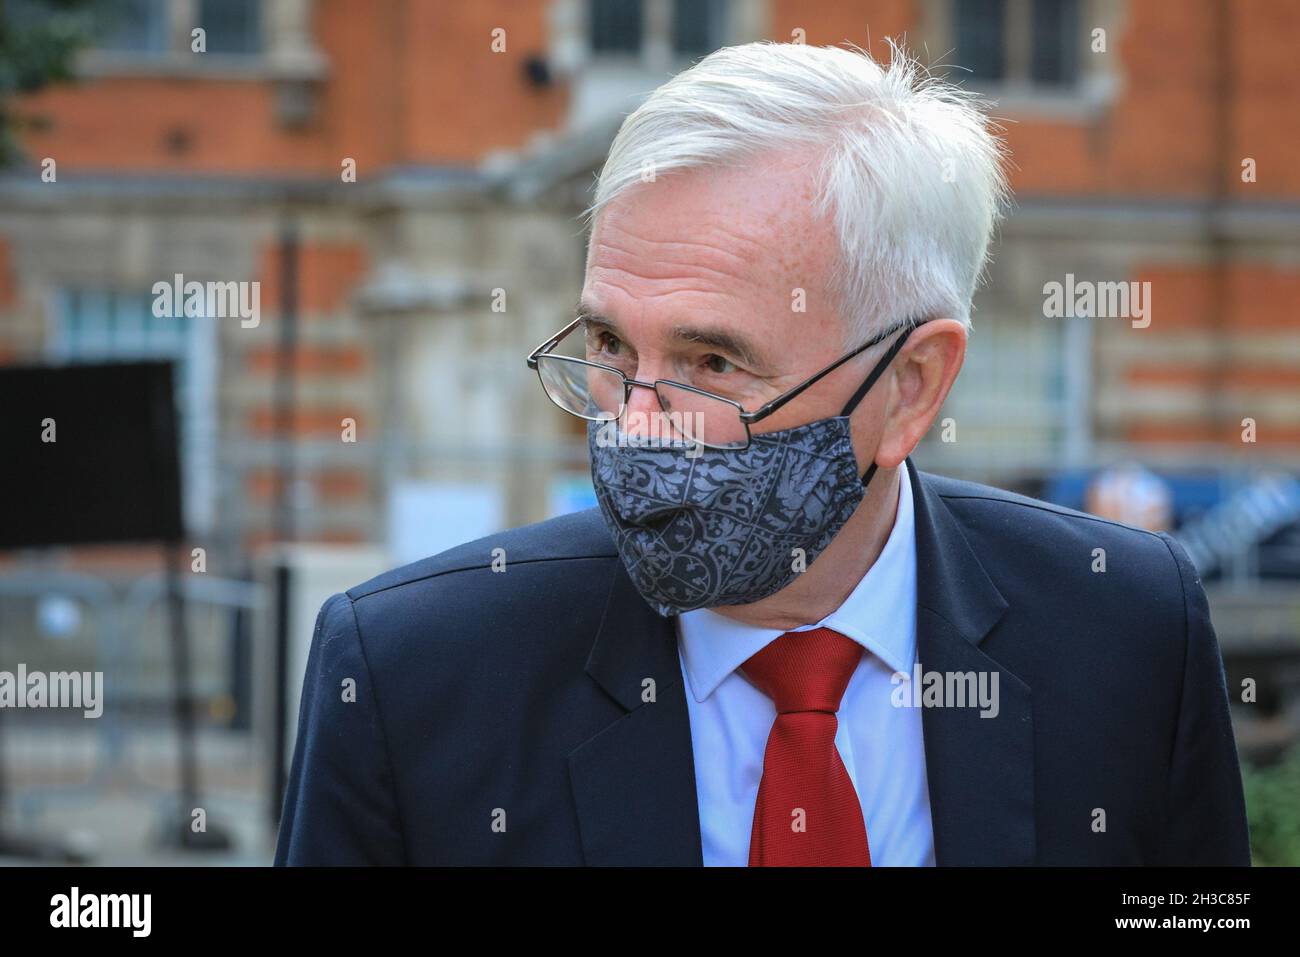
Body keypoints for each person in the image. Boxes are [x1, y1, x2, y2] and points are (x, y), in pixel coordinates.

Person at [275, 42, 1250, 866]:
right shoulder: (410, 676)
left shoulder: (1125, 631)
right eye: (611, 348)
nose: (634, 424)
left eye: (711, 362)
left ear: (909, 388)